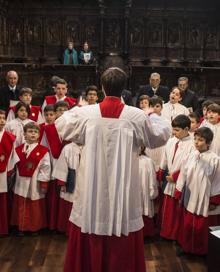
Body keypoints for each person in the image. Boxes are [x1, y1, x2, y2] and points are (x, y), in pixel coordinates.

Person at [55, 67, 171, 272]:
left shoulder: (86, 113)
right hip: (123, 188)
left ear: (102, 87)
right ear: (125, 89)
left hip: (92, 185)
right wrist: (151, 114)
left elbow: (62, 125)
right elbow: (159, 136)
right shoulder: (136, 116)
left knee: (91, 213)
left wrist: (78, 106)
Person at [175, 127, 220, 255]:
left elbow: (217, 181)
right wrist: (179, 192)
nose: (196, 142)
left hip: (205, 198)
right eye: (195, 139)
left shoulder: (215, 160)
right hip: (190, 195)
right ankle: (187, 247)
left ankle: (202, 251)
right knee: (188, 223)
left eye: (200, 140)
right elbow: (183, 174)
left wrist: (214, 200)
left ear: (209, 143)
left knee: (202, 226)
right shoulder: (191, 156)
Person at [158, 115, 195, 240]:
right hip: (169, 179)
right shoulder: (171, 140)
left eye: (177, 130)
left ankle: (174, 234)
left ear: (186, 129)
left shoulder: (192, 144)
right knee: (167, 209)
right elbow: (164, 156)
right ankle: (165, 232)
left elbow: (190, 164)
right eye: (173, 129)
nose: (174, 132)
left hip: (181, 182)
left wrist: (176, 176)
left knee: (176, 211)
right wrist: (161, 172)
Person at [11, 122, 51, 235]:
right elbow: (13, 165)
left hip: (35, 182)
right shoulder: (18, 150)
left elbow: (46, 167)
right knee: (21, 203)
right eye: (30, 131)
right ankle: (21, 227)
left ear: (39, 135)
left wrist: (43, 182)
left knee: (35, 205)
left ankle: (34, 228)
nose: (33, 134)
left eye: (35, 132)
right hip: (20, 182)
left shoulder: (43, 150)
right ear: (24, 134)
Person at [53, 142, 81, 235]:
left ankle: (79, 231)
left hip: (84, 180)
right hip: (71, 179)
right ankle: (67, 229)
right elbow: (62, 165)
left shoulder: (91, 145)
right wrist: (62, 182)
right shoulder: (68, 148)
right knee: (69, 202)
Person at [0, 110, 16, 236]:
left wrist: (8, 172)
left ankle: (2, 228)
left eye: (3, 118)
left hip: (3, 173)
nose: (2, 121)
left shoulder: (10, 137)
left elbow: (12, 158)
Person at [139, 146, 158, 238]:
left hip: (144, 192)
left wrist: (152, 191)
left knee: (145, 211)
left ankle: (147, 233)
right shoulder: (127, 159)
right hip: (133, 195)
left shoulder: (147, 161)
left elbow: (152, 178)